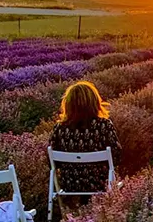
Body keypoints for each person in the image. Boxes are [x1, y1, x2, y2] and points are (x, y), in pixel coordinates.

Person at [49, 81, 121, 213]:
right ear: (94, 102)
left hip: (70, 184)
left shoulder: (59, 128)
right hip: (99, 182)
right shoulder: (104, 125)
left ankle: (78, 215)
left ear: (68, 104)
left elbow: (52, 162)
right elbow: (116, 155)